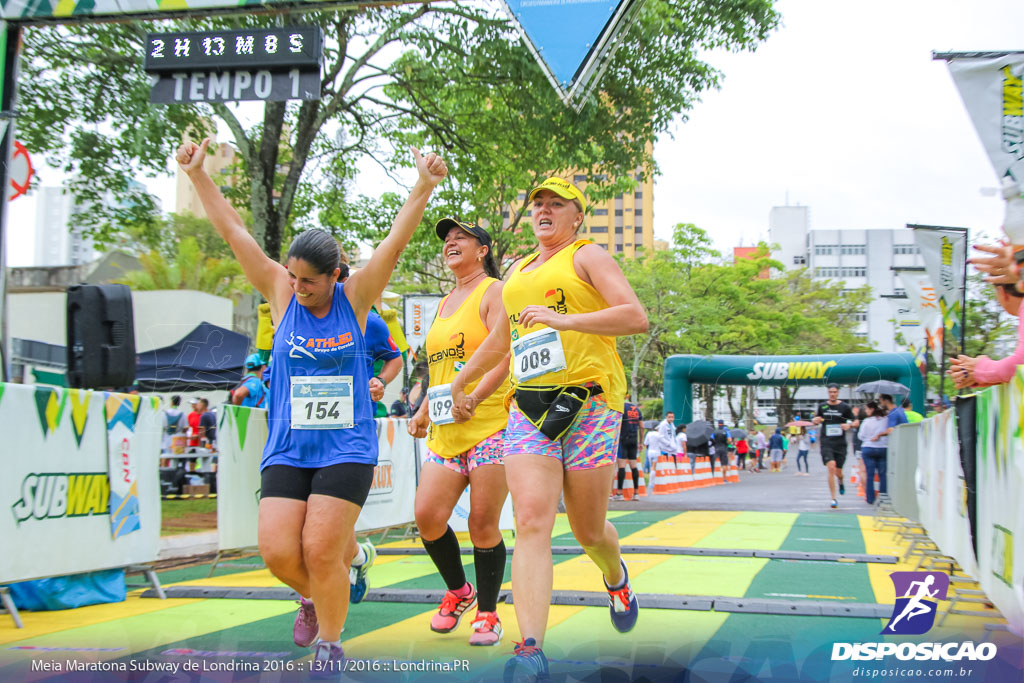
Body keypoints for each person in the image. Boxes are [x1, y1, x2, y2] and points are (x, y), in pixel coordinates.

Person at [177, 137, 447, 672]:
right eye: (293, 277)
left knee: (322, 549)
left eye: (309, 281)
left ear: (334, 278)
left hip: (346, 447)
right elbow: (235, 234)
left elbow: (394, 243)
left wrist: (423, 184)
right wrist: (198, 176)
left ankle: (330, 645)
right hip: (288, 447)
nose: (298, 287)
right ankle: (336, 579)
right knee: (279, 553)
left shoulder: (356, 301)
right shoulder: (280, 292)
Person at [448, 176, 647, 680]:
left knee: (586, 529)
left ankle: (616, 575)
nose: (544, 209)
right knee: (532, 520)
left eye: (556, 203)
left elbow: (634, 317)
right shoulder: (515, 271)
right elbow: (501, 339)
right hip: (528, 408)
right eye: (538, 202)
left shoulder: (587, 256)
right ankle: (530, 647)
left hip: (590, 403)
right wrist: (465, 382)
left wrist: (565, 322)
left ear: (576, 216)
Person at [406, 218, 511, 647]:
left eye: (461, 238)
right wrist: (424, 409)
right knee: (428, 517)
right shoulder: (445, 301)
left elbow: (505, 352)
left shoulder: (494, 291)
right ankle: (459, 591)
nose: (450, 242)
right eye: (447, 239)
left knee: (483, 523)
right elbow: (442, 371)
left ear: (482, 250)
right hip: (446, 430)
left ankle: (488, 613)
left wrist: (477, 397)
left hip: (491, 426)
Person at [812, 383, 858, 509]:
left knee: (839, 472)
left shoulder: (844, 407)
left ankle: (841, 481)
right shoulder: (823, 406)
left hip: (840, 444)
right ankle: (833, 498)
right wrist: (815, 420)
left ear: (838, 393)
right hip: (826, 442)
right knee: (831, 467)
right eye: (830, 392)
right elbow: (816, 419)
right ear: (828, 393)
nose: (832, 394)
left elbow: (856, 421)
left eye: (834, 392)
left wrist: (849, 425)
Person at [857, 400, 889, 505]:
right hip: (882, 448)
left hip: (868, 448)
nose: (866, 411)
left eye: (867, 409)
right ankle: (883, 498)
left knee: (869, 475)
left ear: (872, 409)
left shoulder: (866, 421)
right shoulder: (885, 420)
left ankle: (870, 498)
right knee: (882, 474)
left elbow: (860, 436)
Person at [615, 398, 644, 501]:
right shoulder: (637, 409)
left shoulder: (621, 407)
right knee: (633, 466)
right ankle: (636, 493)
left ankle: (619, 493)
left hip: (623, 439)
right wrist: (640, 442)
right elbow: (642, 427)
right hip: (633, 440)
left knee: (621, 466)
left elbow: (617, 424)